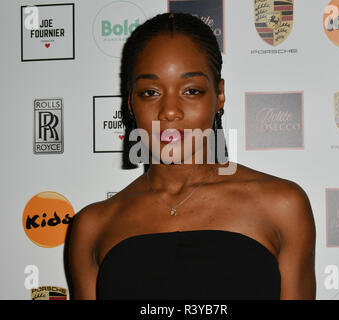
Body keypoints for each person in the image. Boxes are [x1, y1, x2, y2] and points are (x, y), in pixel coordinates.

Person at [68, 12, 316, 300]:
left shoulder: (282, 205)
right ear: (130, 102)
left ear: (219, 95)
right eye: (150, 92)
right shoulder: (93, 225)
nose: (170, 111)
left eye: (191, 90)